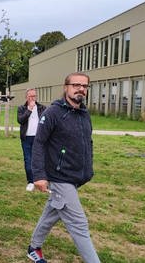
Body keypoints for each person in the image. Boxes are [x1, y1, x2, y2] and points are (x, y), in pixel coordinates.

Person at [27, 73, 100, 263]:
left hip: (76, 177)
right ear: (66, 87)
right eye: (76, 85)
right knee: (79, 225)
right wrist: (39, 175)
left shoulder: (84, 113)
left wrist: (88, 169)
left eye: (84, 86)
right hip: (60, 177)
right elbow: (39, 144)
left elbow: (88, 142)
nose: (81, 89)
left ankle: (33, 247)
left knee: (52, 211)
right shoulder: (53, 112)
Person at [17, 89, 46, 192]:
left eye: (34, 96)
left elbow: (46, 122)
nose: (32, 98)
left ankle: (40, 179)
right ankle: (30, 181)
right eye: (30, 96)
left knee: (39, 159)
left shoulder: (42, 108)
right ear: (26, 97)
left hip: (39, 138)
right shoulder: (22, 108)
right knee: (28, 159)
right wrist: (29, 110)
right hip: (26, 138)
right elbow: (20, 120)